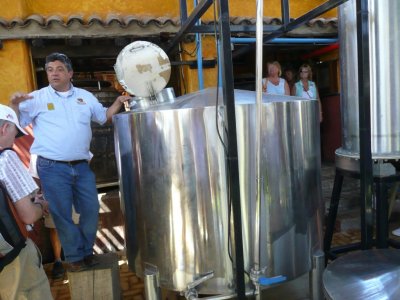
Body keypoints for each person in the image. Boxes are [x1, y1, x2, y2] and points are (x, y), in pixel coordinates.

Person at [9, 52, 131, 272]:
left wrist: (117, 102)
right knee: (61, 213)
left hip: (82, 166)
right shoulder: (37, 97)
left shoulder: (85, 96)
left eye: (59, 69)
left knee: (91, 209)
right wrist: (16, 106)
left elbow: (103, 117)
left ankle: (84, 251)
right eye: (50, 69)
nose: (54, 73)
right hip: (52, 167)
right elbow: (17, 125)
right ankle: (76, 257)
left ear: (70, 73)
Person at [0, 104, 53, 299]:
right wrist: (42, 205)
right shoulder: (5, 156)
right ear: (4, 128)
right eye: (14, 134)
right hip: (11, 254)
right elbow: (28, 214)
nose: (13, 141)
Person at [29, 153, 80, 279]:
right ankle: (58, 260)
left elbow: (87, 157)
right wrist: (37, 195)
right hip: (50, 195)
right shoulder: (37, 151)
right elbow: (34, 175)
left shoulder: (71, 142)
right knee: (54, 227)